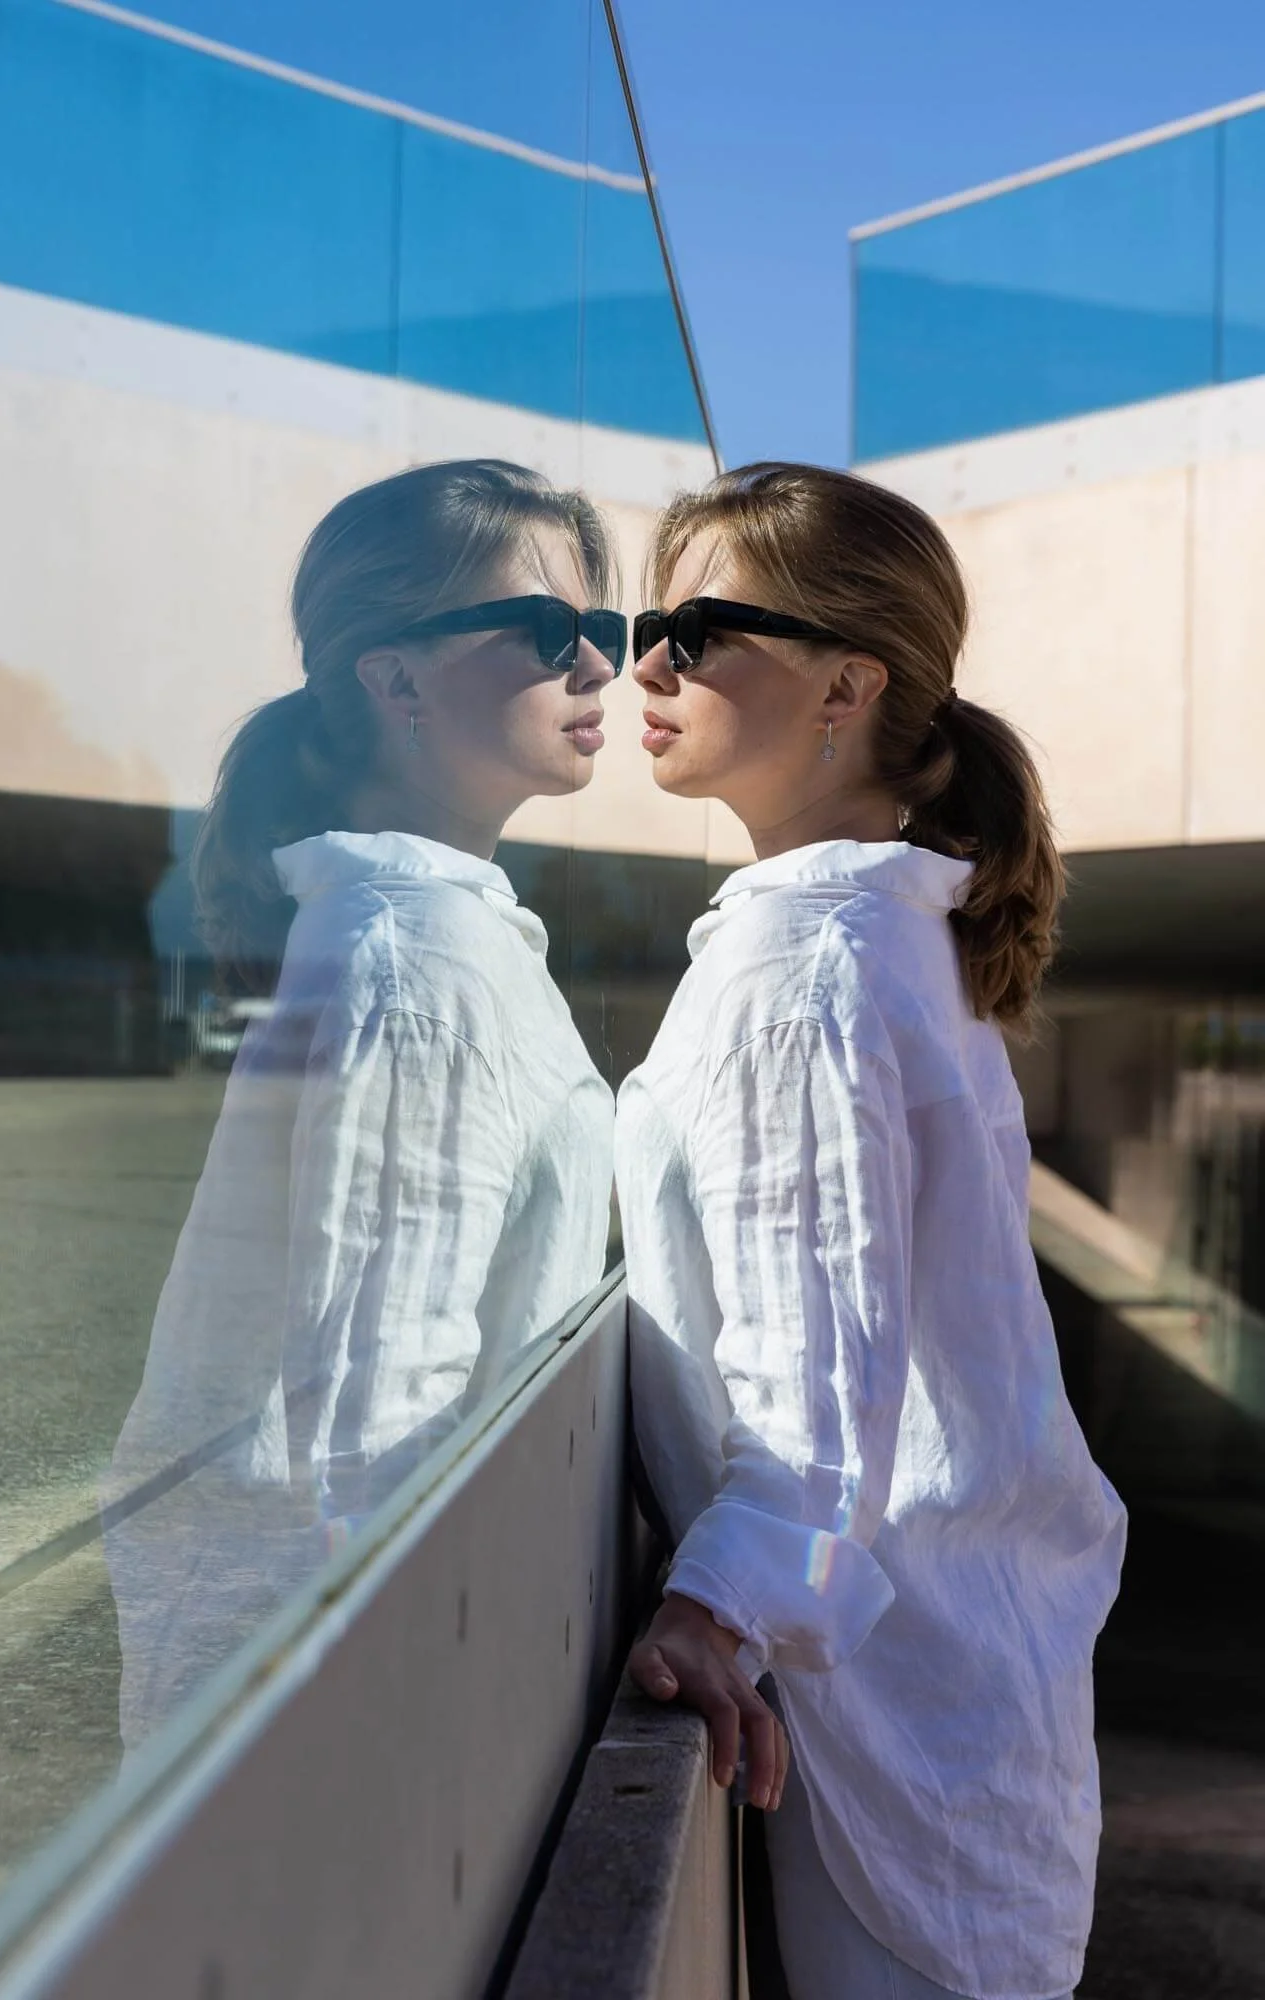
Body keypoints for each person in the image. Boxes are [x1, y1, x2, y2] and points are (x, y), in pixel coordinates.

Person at [618, 462, 1126, 2000]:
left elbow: (813, 1357)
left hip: (907, 1724)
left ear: (848, 682)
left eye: (698, 628)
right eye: (647, 621)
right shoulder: (875, 942)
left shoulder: (811, 967)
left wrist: (720, 1609)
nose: (649, 662)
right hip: (947, 1689)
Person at [104, 460, 623, 1746]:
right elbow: (375, 1429)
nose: (601, 668)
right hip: (318, 1717)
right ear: (392, 678)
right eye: (552, 631)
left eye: (604, 631)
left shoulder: (446, 939)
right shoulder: (414, 959)